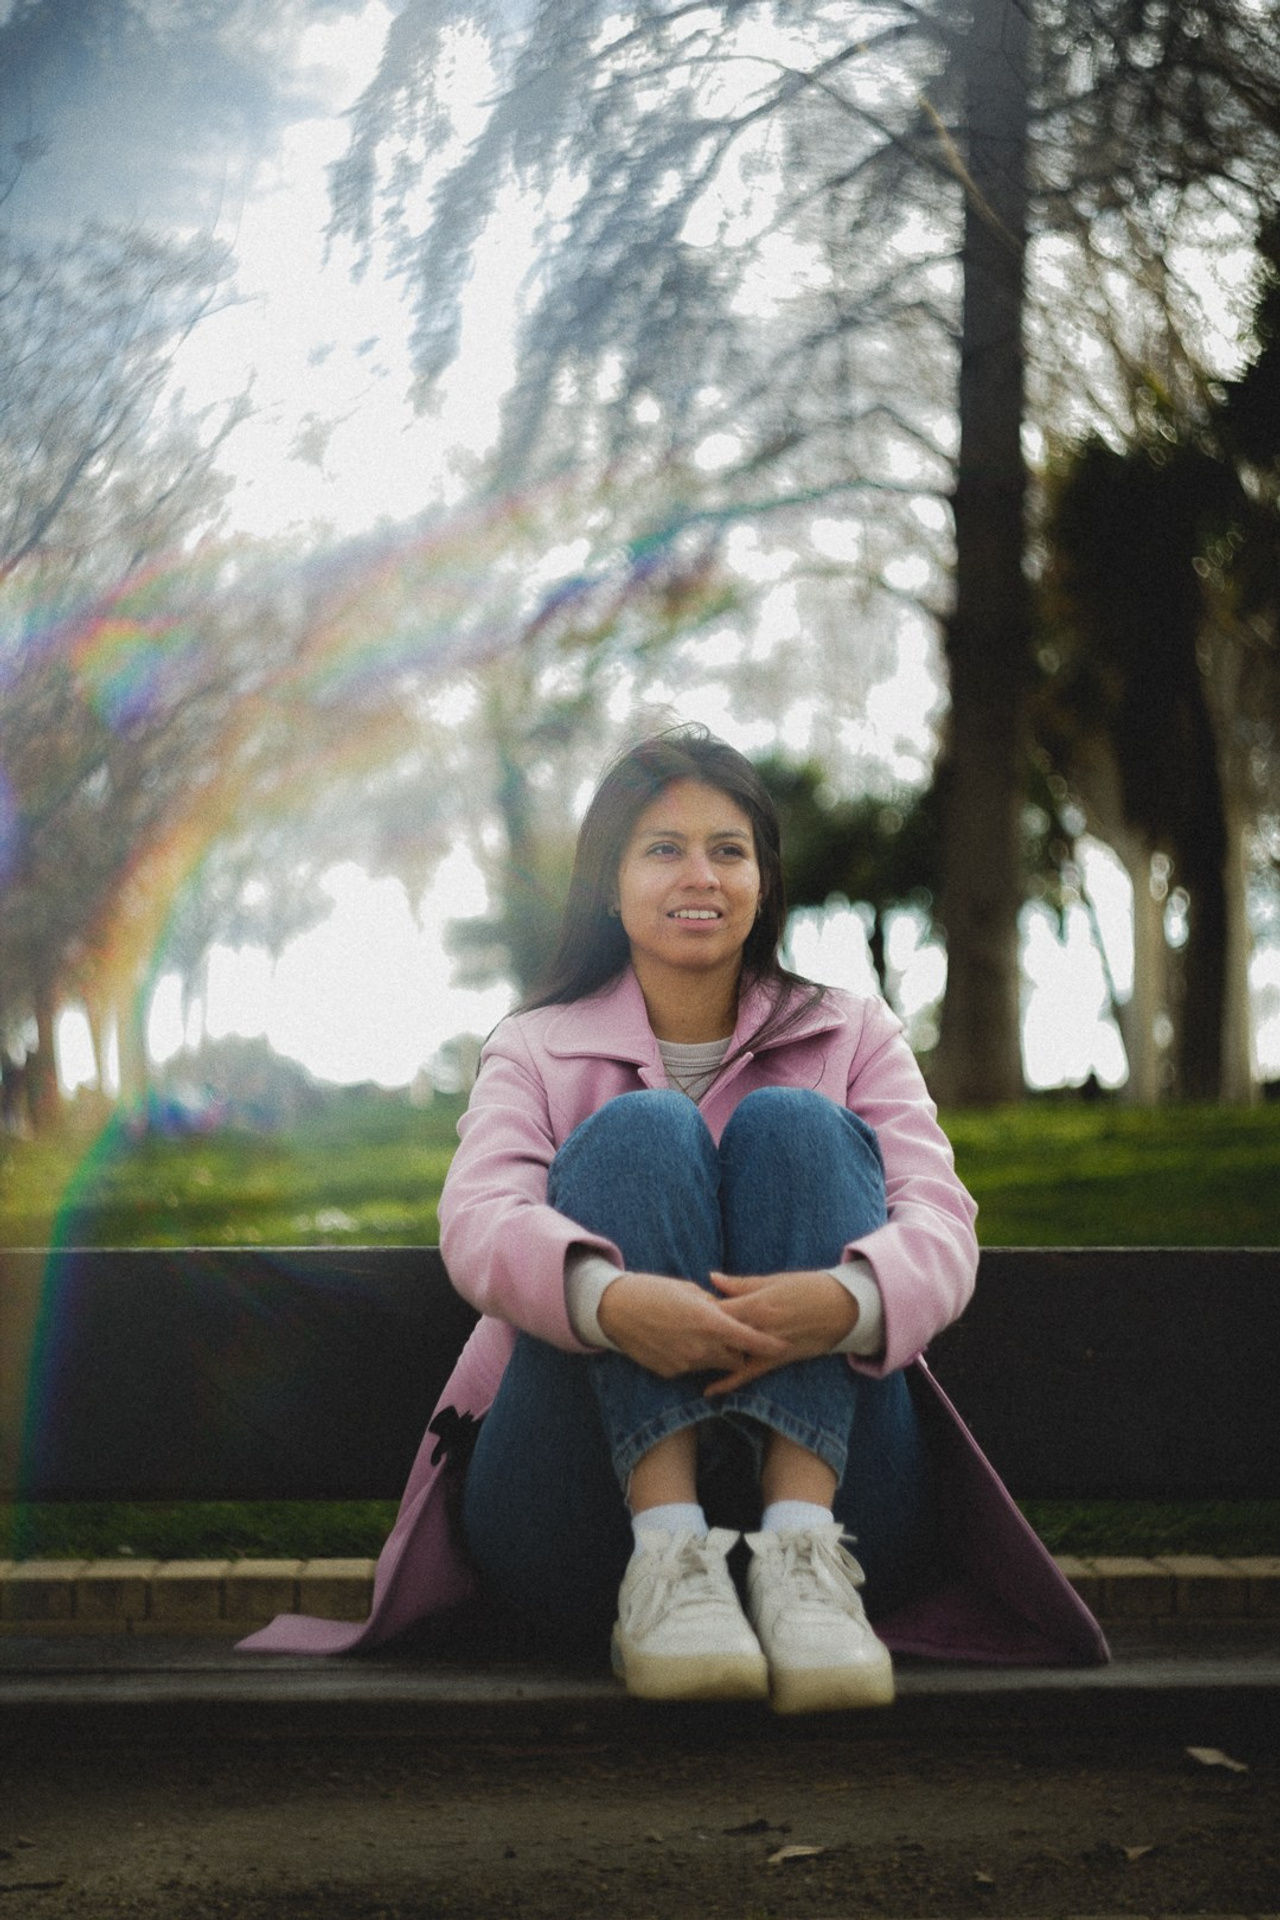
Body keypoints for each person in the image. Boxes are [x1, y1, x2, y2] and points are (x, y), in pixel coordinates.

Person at [237, 725, 1108, 1694]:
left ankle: (799, 1557)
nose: (699, 874)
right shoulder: (533, 1047)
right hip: (581, 1519)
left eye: (727, 850)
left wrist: (848, 1303)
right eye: (662, 849)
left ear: (762, 882)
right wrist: (608, 1302)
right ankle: (667, 1555)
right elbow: (479, 1219)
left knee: (795, 1126)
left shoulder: (852, 1033)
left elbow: (940, 1220)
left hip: (849, 1505)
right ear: (608, 887)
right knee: (641, 1130)